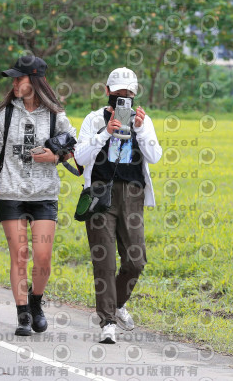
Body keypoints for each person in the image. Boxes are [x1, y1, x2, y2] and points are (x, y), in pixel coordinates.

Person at [0, 55, 76, 336]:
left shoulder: (55, 115)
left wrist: (55, 157)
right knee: (20, 255)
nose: (14, 83)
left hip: (44, 194)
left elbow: (72, 146)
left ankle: (36, 302)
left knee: (43, 258)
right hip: (10, 191)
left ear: (35, 81)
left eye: (19, 78)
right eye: (12, 79)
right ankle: (23, 313)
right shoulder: (5, 114)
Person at [74, 67, 163, 344]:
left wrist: (140, 130)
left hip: (132, 195)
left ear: (135, 94)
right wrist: (104, 133)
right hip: (100, 194)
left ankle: (118, 303)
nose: (123, 98)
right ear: (107, 92)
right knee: (104, 261)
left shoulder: (142, 121)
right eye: (118, 94)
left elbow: (155, 156)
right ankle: (108, 322)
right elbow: (80, 157)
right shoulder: (93, 119)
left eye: (128, 94)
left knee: (136, 261)